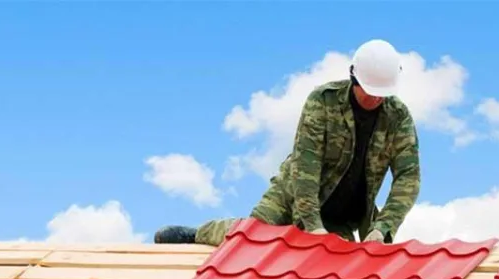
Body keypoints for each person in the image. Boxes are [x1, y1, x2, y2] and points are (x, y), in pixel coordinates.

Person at [155, 39, 420, 247]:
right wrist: (312, 225)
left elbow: (408, 177)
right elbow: (307, 166)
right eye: (371, 92)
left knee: (335, 266)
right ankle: (197, 234)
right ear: (354, 79)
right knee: (252, 239)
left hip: (342, 215)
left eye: (382, 94)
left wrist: (383, 227)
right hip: (292, 194)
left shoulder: (398, 118)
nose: (377, 100)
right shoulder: (323, 102)